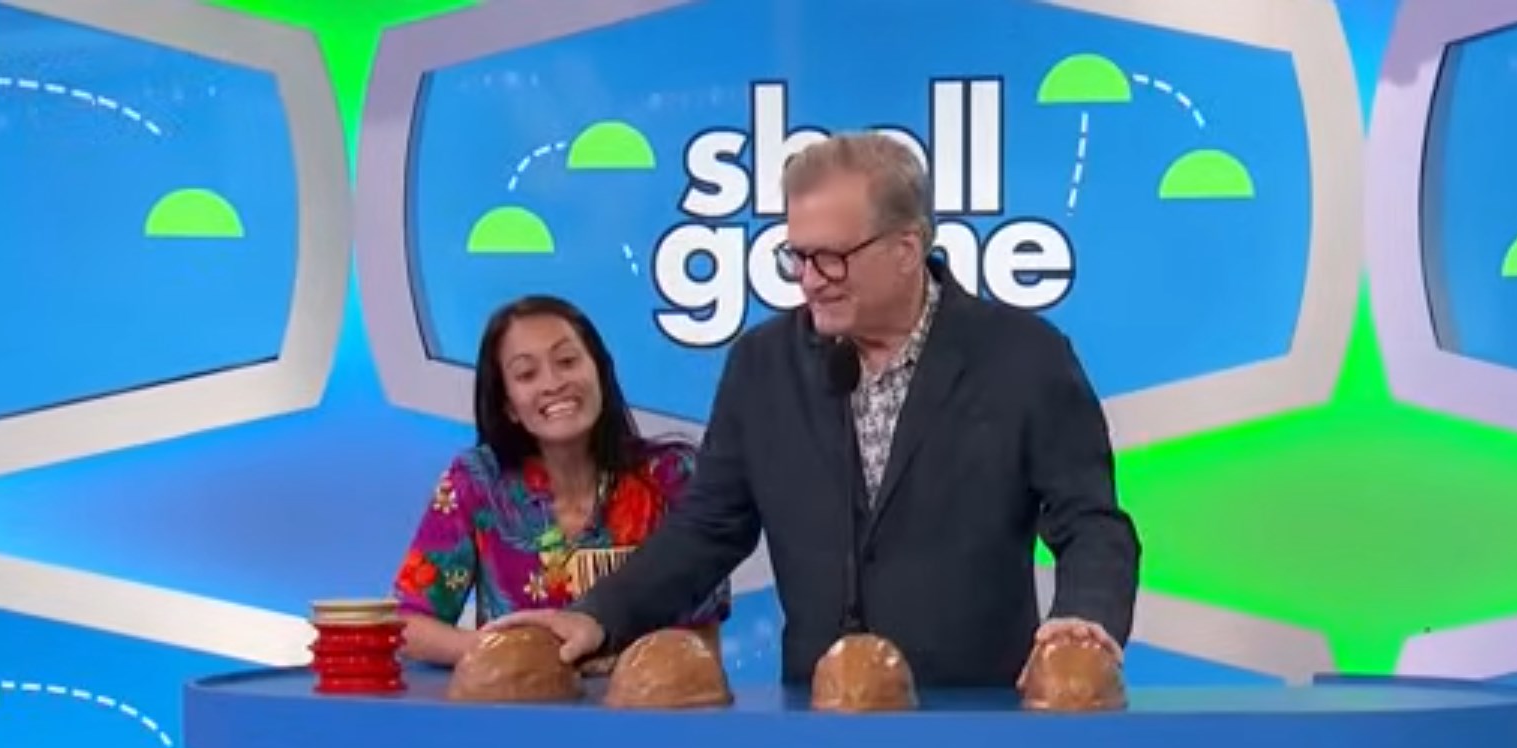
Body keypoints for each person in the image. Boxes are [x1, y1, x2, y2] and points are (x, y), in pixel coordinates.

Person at [493, 133, 1140, 687]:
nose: (808, 278)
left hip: (973, 718)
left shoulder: (1022, 356)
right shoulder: (762, 365)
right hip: (818, 721)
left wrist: (1084, 619)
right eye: (797, 255)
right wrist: (599, 615)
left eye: (831, 256)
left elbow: (1090, 521)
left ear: (907, 248)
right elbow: (708, 528)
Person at [392, 295, 729, 666]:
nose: (553, 384)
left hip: (643, 699)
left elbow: (703, 641)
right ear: (508, 405)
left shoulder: (671, 475)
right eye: (526, 374)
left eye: (567, 362)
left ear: (600, 372)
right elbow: (408, 624)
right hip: (515, 698)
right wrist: (506, 656)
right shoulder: (476, 481)